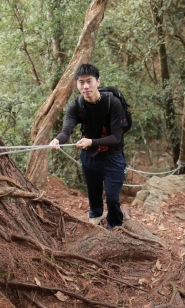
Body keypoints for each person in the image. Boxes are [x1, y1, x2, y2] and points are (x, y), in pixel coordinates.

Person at [50, 63, 127, 229]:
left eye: (89, 81)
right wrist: (57, 140)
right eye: (81, 82)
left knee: (113, 197)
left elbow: (116, 137)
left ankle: (115, 226)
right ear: (77, 85)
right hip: (90, 158)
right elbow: (66, 131)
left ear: (97, 82)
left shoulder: (112, 103)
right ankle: (96, 217)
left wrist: (91, 141)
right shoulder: (76, 106)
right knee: (93, 193)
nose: (85, 86)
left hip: (113, 158)